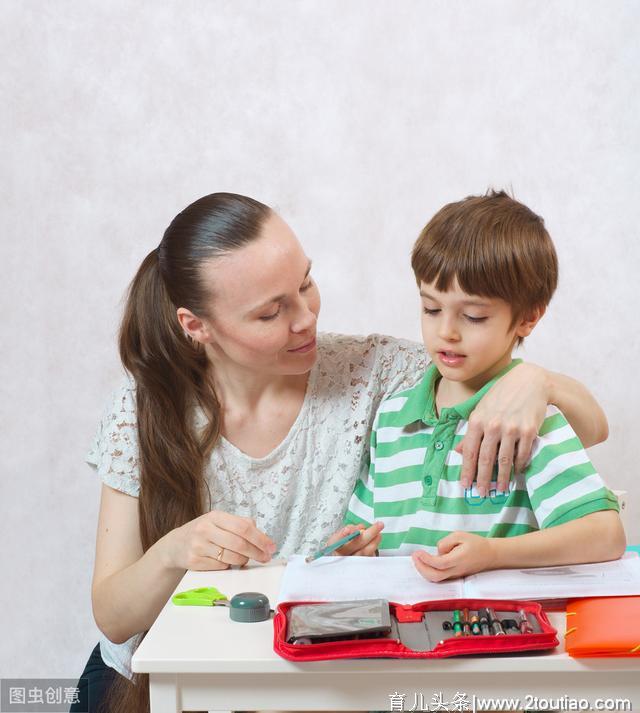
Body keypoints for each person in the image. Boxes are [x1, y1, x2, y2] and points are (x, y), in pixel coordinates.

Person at [72, 192, 610, 713]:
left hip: (301, 681)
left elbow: (577, 428)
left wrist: (535, 381)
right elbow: (114, 617)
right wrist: (174, 551)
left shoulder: (374, 373)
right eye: (270, 313)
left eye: (306, 283)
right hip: (154, 678)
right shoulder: (143, 409)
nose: (305, 318)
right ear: (197, 326)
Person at [342, 190, 626, 581]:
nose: (446, 332)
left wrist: (493, 553)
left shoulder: (527, 419)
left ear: (527, 318)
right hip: (402, 628)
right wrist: (355, 546)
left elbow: (605, 536)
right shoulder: (391, 417)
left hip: (496, 629)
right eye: (431, 308)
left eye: (473, 316)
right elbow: (364, 529)